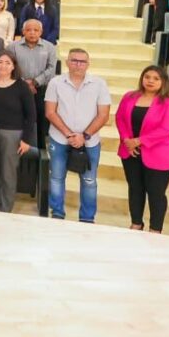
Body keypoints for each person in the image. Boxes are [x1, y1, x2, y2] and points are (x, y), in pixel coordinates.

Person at [44, 49, 111, 223]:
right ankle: (57, 213)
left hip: (89, 142)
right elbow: (50, 112)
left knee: (89, 181)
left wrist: (84, 136)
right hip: (59, 139)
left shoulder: (99, 84)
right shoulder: (56, 82)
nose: (78, 64)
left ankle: (87, 218)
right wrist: (69, 134)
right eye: (74, 60)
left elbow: (103, 115)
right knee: (57, 177)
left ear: (88, 64)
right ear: (67, 62)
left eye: (82, 61)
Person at [115, 66, 169, 233]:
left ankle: (155, 229)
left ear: (163, 82)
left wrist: (139, 141)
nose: (150, 81)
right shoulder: (129, 97)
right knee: (135, 189)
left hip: (158, 154)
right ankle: (136, 223)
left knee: (156, 194)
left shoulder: (168, 103)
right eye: (147, 77)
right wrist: (127, 140)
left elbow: (166, 128)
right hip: (130, 152)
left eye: (156, 78)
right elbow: (120, 118)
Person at [0, 51, 36, 212]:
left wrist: (26, 139)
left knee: (8, 173)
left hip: (13, 134)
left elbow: (31, 115)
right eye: (0, 62)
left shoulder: (21, 86)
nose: (3, 65)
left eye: (7, 63)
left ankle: (6, 208)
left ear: (13, 66)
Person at [7, 19, 57, 149]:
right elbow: (9, 66)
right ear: (23, 31)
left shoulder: (50, 47)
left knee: (40, 120)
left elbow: (52, 69)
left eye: (36, 30)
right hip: (17, 89)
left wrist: (35, 82)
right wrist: (25, 84)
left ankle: (40, 152)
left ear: (41, 32)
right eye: (28, 30)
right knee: (19, 119)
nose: (32, 33)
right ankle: (18, 149)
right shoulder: (12, 47)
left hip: (41, 90)